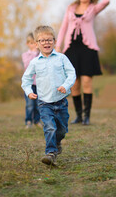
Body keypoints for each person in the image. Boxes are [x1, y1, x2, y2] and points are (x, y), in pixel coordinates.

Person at [55, 0, 110, 125]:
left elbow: (106, 1)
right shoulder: (71, 8)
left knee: (86, 81)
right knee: (74, 83)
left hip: (88, 49)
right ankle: (79, 116)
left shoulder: (93, 8)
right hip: (71, 48)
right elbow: (63, 28)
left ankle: (87, 117)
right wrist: (58, 45)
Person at [21, 26, 76, 165]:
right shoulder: (34, 62)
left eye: (49, 40)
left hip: (61, 101)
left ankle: (57, 142)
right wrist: (29, 92)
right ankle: (50, 153)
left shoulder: (61, 58)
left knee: (62, 129)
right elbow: (26, 80)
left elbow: (71, 73)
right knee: (50, 127)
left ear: (54, 41)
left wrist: (65, 85)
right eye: (42, 40)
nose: (46, 43)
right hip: (44, 102)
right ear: (37, 43)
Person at [22, 32, 42, 129]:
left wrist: (37, 53)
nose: (33, 45)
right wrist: (34, 53)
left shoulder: (41, 54)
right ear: (27, 44)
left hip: (39, 84)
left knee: (38, 104)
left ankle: (37, 120)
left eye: (34, 43)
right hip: (29, 84)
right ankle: (28, 121)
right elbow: (27, 65)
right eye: (31, 43)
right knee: (30, 104)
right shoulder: (25, 55)